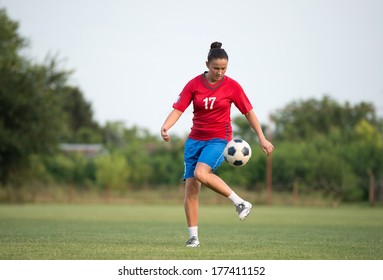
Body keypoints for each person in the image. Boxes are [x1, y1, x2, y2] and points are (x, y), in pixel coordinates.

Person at [161, 42, 274, 248]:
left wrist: (262, 138)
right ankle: (193, 238)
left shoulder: (233, 86)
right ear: (207, 64)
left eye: (223, 69)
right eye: (216, 68)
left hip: (218, 139)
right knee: (191, 191)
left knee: (201, 174)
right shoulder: (194, 84)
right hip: (194, 141)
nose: (220, 72)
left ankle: (240, 202)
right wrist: (166, 127)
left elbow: (249, 112)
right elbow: (178, 109)